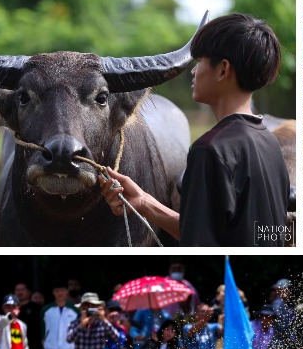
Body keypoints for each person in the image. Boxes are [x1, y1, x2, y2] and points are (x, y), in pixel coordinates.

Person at [102, 13, 290, 246]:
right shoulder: (269, 142)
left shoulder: (211, 150)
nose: (193, 71)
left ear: (223, 70)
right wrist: (143, 201)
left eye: (200, 61)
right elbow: (220, 233)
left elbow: (199, 246)